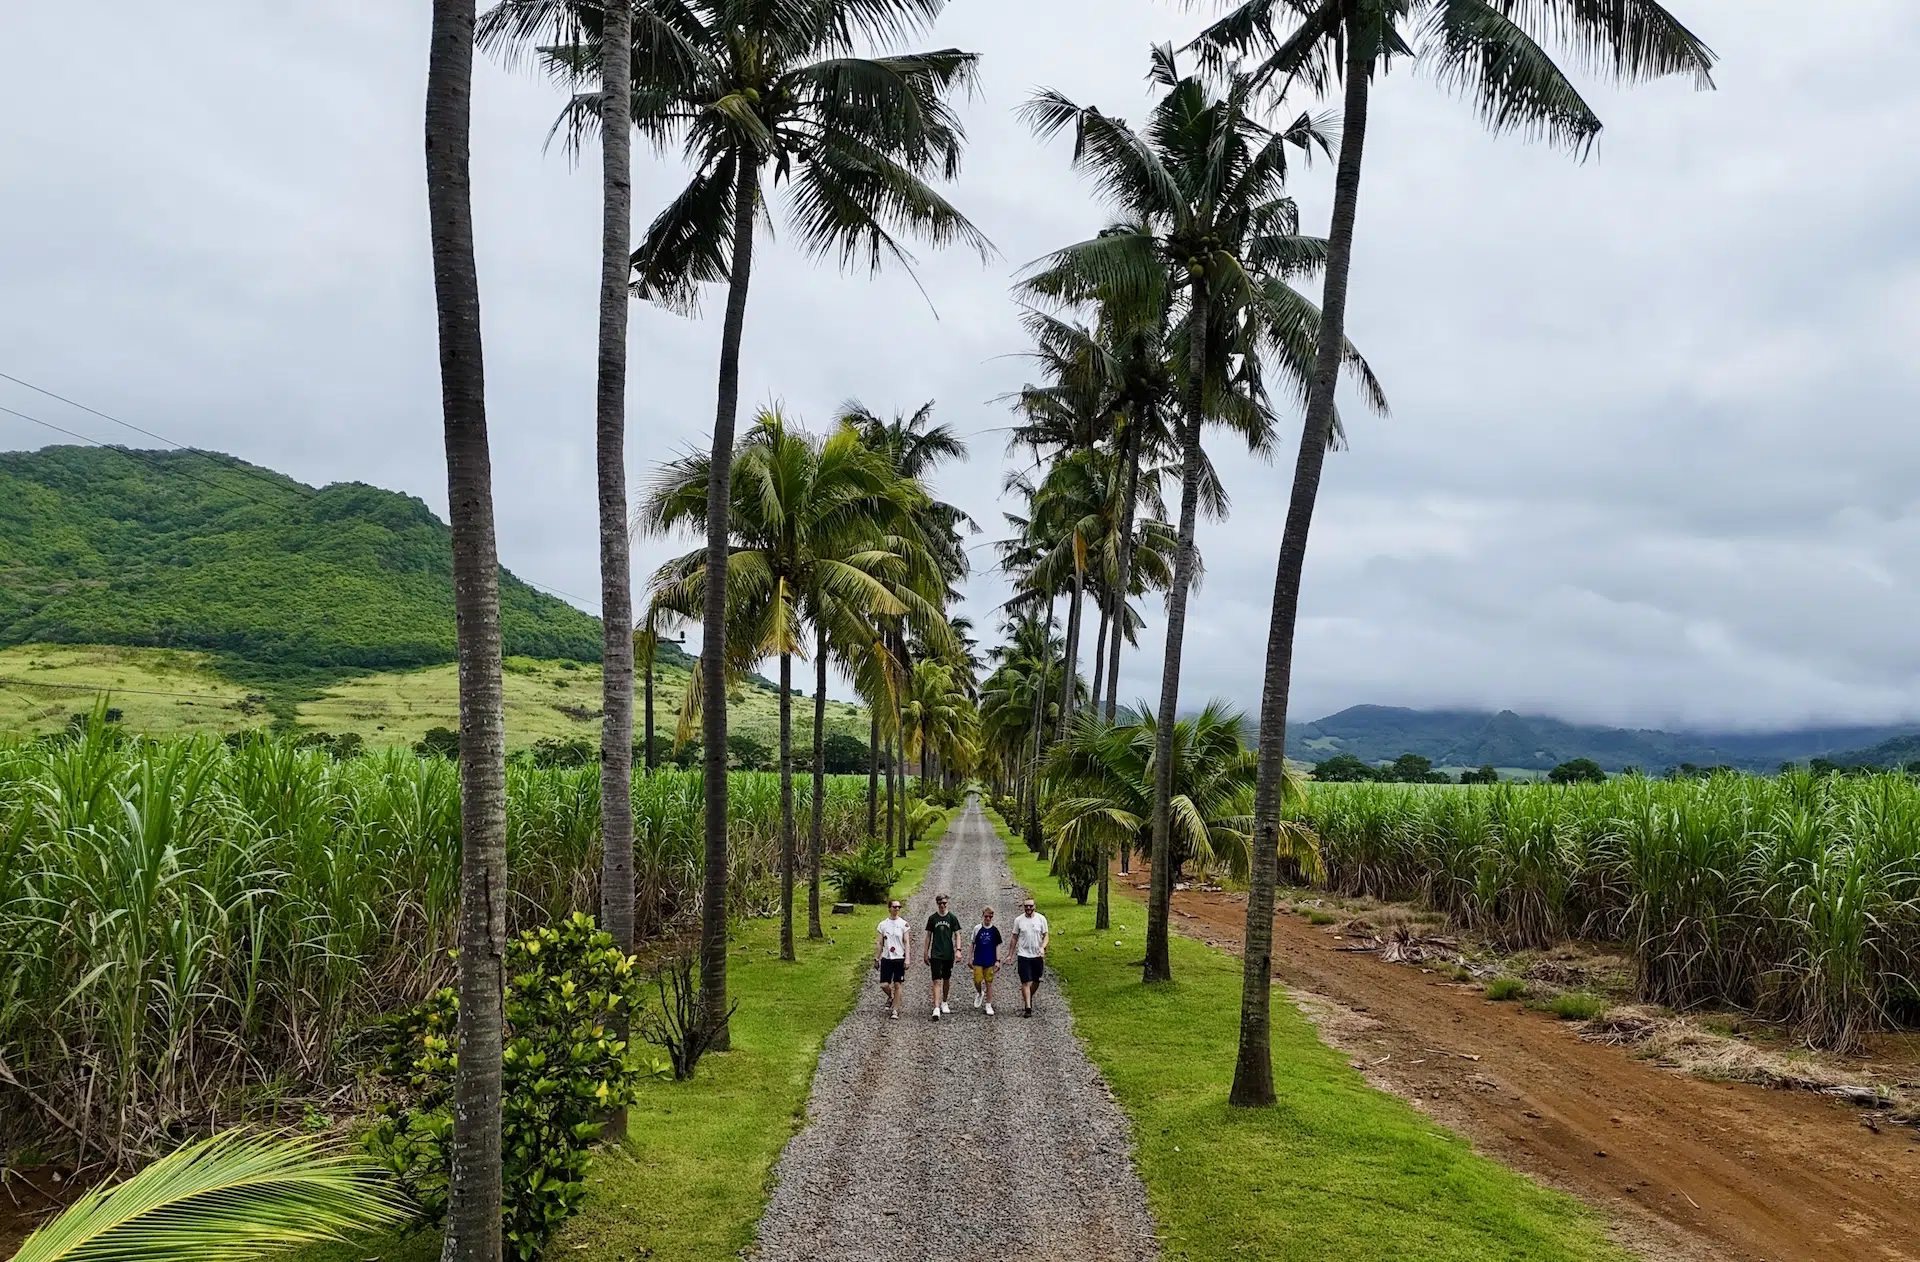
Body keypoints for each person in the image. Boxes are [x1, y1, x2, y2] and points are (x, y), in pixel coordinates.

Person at [923, 894, 962, 1021]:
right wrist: (925, 952)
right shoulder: (932, 918)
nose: (942, 905)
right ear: (937, 904)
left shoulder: (952, 918)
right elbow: (928, 936)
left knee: (946, 978)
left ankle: (944, 1001)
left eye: (944, 903)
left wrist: (958, 950)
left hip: (948, 953)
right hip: (936, 953)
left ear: (947, 903)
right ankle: (936, 1006)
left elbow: (957, 934)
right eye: (940, 903)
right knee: (936, 980)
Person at [1009, 897, 1049, 1018]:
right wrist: (1010, 954)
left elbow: (1046, 935)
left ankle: (1028, 996)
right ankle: (1028, 1008)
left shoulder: (1041, 919)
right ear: (1023, 907)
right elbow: (1014, 937)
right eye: (1026, 906)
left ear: (1034, 906)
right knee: (1025, 981)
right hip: (1023, 955)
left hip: (1037, 955)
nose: (1028, 908)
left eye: (1030, 906)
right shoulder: (1019, 920)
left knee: (1036, 980)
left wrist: (1043, 947)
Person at [874, 899, 910, 1020]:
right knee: (884, 984)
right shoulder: (883, 925)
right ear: (889, 908)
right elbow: (880, 943)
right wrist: (877, 958)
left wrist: (907, 958)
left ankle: (895, 1009)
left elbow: (906, 942)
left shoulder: (903, 924)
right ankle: (891, 996)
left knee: (898, 983)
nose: (897, 909)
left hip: (899, 957)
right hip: (887, 957)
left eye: (899, 907)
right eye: (895, 907)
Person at [968, 905, 1004, 1016]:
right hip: (978, 959)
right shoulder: (977, 928)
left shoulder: (995, 931)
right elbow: (972, 943)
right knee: (977, 980)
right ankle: (979, 993)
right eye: (986, 916)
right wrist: (969, 957)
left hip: (990, 960)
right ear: (983, 916)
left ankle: (988, 1004)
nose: (988, 919)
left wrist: (998, 960)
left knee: (989, 982)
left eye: (990, 917)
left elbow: (998, 945)